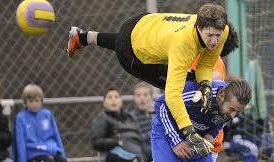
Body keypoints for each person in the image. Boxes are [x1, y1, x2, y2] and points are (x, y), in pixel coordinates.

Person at [66, 3, 239, 149]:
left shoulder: (220, 29)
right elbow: (173, 95)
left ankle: (83, 37)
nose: (215, 41)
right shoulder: (183, 46)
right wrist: (189, 131)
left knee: (196, 81)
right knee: (186, 85)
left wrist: (206, 84)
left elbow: (206, 64)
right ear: (199, 27)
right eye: (210, 36)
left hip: (143, 22)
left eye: (218, 36)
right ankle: (177, 138)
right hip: (132, 55)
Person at [151, 78, 252, 162]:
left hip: (196, 137)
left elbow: (218, 122)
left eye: (237, 112)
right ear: (221, 95)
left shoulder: (228, 106)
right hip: (169, 130)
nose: (233, 115)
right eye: (232, 109)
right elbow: (162, 104)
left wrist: (211, 135)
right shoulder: (198, 92)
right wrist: (176, 141)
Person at [12, 84, 67, 162]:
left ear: (41, 101)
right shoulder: (21, 118)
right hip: (34, 153)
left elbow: (56, 135)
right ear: (25, 102)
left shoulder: (47, 115)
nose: (34, 104)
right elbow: (20, 143)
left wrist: (62, 154)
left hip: (50, 149)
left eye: (37, 100)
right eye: (30, 101)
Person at [91, 88, 144, 162]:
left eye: (116, 97)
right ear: (104, 102)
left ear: (121, 101)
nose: (113, 100)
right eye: (109, 97)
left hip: (138, 152)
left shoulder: (130, 117)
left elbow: (140, 139)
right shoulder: (103, 117)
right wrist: (117, 142)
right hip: (117, 155)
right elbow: (96, 142)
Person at [130, 82, 155, 162]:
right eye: (138, 95)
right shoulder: (131, 117)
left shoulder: (158, 114)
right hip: (142, 154)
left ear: (151, 97)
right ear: (134, 98)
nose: (142, 98)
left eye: (145, 95)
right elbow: (134, 138)